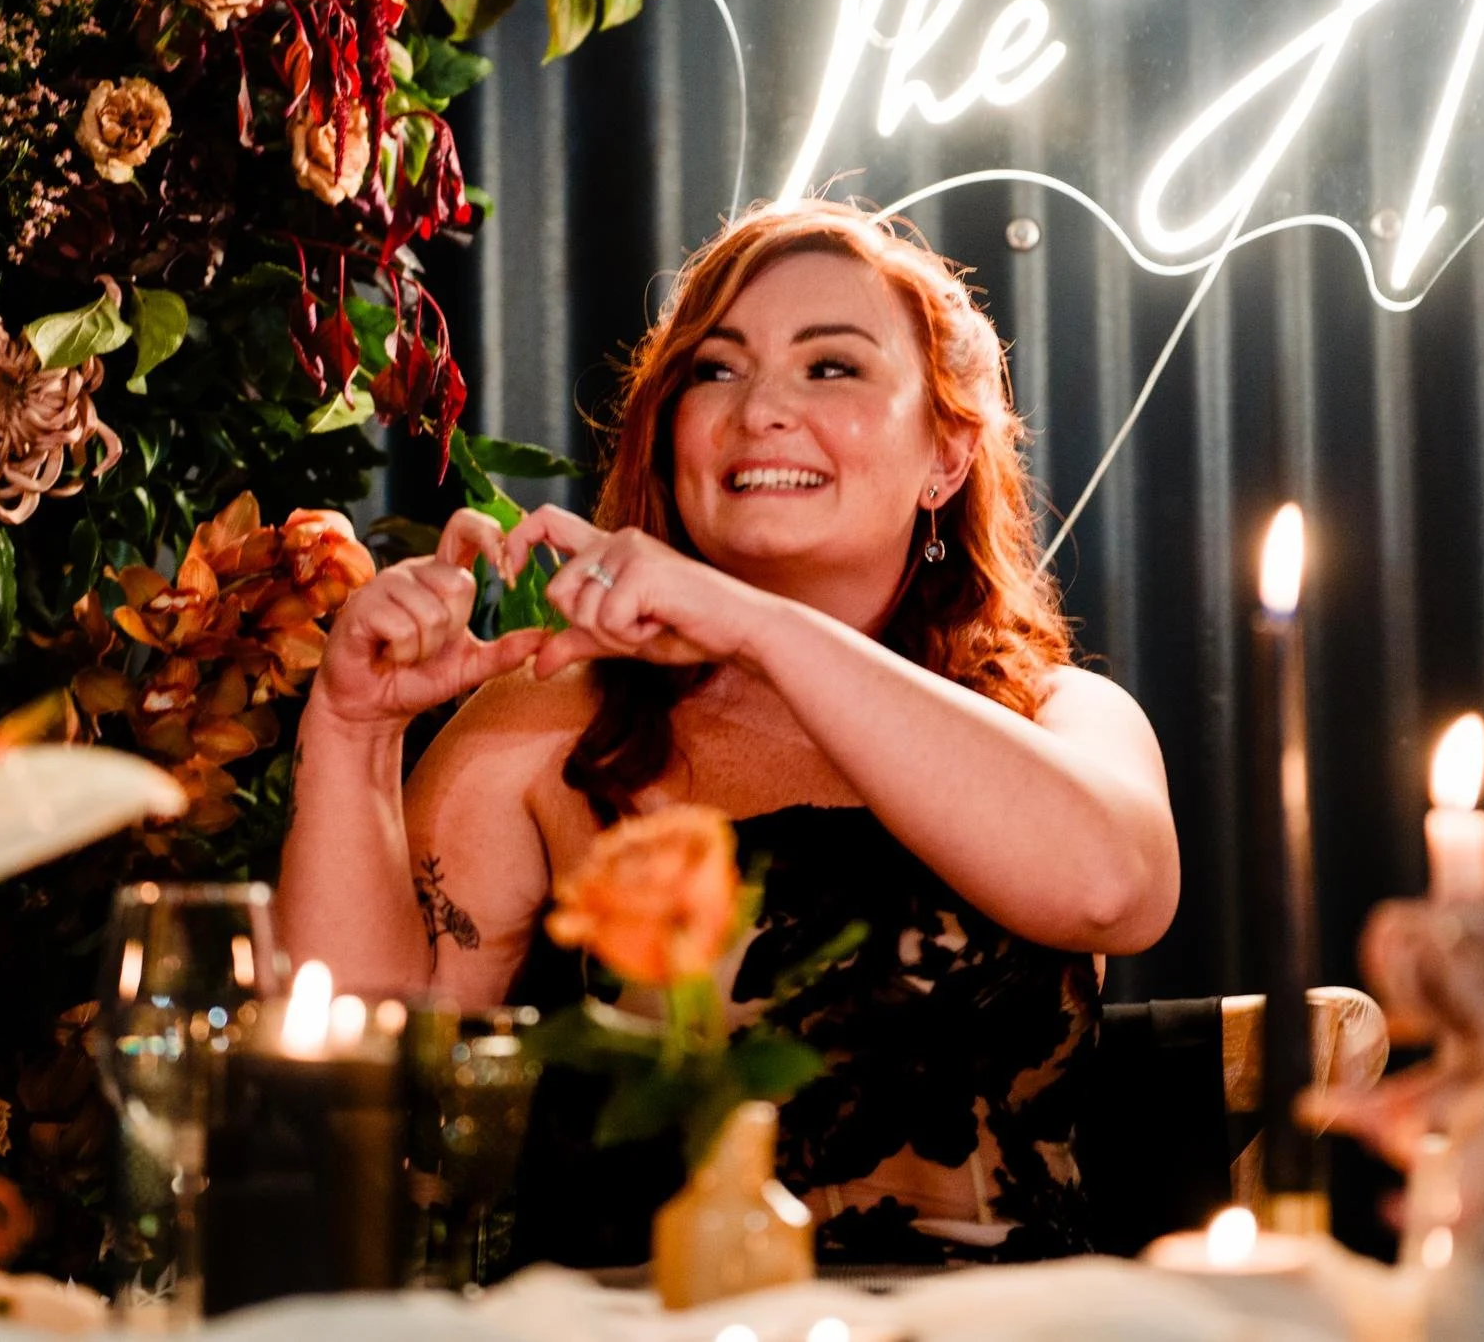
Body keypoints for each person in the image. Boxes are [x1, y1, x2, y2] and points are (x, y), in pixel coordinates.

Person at [277, 199, 1180, 1265]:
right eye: (715, 369)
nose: (759, 412)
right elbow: (362, 1099)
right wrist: (350, 734)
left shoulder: (1059, 717)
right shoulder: (545, 725)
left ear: (945, 453)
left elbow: (1109, 891)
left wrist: (755, 627)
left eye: (830, 368)